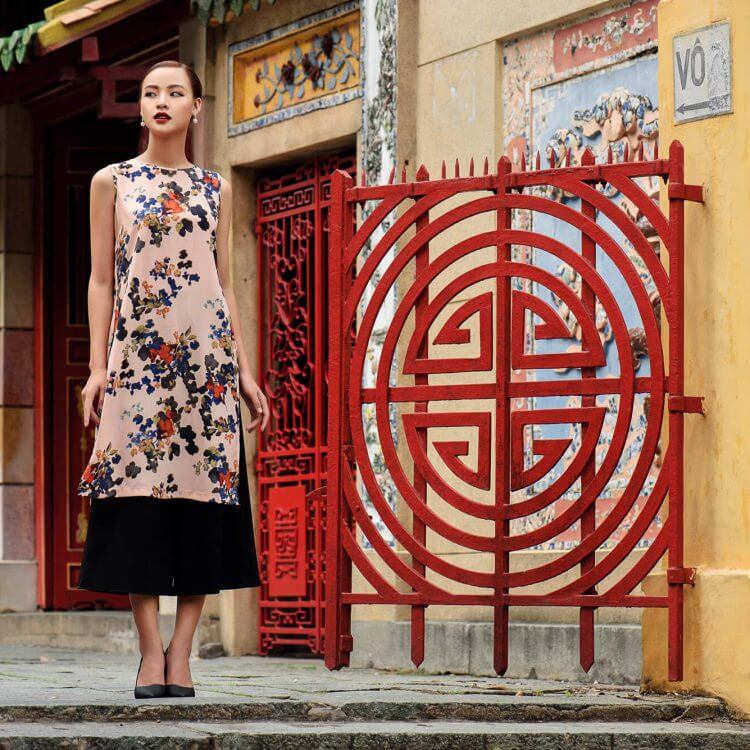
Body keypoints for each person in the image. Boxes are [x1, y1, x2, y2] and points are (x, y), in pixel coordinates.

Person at [75, 60, 269, 699]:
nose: (162, 101)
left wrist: (243, 369)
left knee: (202, 507)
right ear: (140, 107)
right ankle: (148, 651)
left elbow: (224, 284)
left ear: (196, 107)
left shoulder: (216, 188)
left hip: (205, 372)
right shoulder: (112, 182)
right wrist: (98, 368)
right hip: (137, 370)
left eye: (175, 92)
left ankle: (181, 653)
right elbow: (100, 280)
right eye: (151, 92)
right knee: (137, 507)